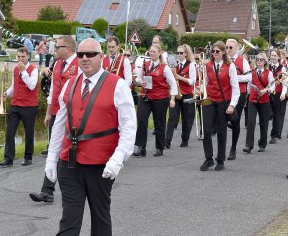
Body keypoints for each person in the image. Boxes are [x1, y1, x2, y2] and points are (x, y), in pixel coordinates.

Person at [44, 38, 136, 235]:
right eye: (80, 54)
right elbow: (59, 124)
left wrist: (118, 158)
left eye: (91, 54)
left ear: (101, 57)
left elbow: (129, 127)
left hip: (101, 165)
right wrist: (51, 160)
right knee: (69, 219)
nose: (85, 58)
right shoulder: (69, 84)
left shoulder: (118, 85)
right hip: (69, 164)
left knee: (100, 217)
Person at [29, 35, 80, 203]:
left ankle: (75, 187)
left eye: (58, 47)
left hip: (73, 115)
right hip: (57, 113)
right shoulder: (57, 63)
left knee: (72, 151)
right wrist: (48, 113)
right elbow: (52, 91)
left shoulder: (79, 64)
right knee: (55, 149)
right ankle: (47, 190)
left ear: (69, 49)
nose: (55, 50)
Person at [200, 41, 239, 171]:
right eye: (213, 51)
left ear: (223, 52)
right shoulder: (207, 65)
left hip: (223, 102)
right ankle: (209, 158)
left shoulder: (230, 66)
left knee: (222, 131)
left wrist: (232, 105)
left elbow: (235, 88)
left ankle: (220, 160)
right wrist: (199, 90)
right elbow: (205, 82)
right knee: (206, 130)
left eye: (217, 51)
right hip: (210, 100)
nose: (215, 53)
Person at [133, 44, 177, 157]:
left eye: (154, 52)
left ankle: (159, 147)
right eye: (150, 51)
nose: (151, 53)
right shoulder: (145, 64)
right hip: (145, 96)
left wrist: (172, 98)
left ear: (159, 53)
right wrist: (139, 82)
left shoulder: (164, 67)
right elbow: (137, 77)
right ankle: (141, 146)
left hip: (160, 98)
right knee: (142, 120)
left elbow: (172, 83)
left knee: (159, 122)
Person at [0, 47, 39, 167]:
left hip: (29, 106)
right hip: (15, 104)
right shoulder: (15, 69)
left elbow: (32, 86)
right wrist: (6, 93)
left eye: (23, 57)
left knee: (29, 132)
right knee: (10, 132)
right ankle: (8, 159)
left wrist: (24, 72)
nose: (21, 59)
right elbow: (13, 85)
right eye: (19, 57)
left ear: (28, 56)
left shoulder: (34, 69)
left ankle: (28, 157)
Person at [165, 44, 196, 148]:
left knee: (187, 118)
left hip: (187, 94)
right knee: (172, 117)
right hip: (175, 93)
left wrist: (179, 77)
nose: (178, 55)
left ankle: (185, 139)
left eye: (181, 53)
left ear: (186, 54)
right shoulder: (174, 65)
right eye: (177, 53)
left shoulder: (191, 65)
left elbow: (192, 81)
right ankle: (167, 141)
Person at [243, 53, 275, 153]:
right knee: (251, 122)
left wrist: (266, 91)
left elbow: (273, 86)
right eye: (257, 59)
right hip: (252, 100)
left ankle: (262, 143)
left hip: (264, 100)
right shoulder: (252, 72)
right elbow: (248, 85)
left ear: (265, 61)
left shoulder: (268, 73)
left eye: (261, 60)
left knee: (263, 123)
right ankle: (249, 145)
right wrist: (246, 96)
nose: (259, 61)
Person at [225, 39, 251, 160]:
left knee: (235, 120)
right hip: (226, 93)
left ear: (236, 48)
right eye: (227, 47)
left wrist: (235, 78)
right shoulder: (224, 60)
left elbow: (249, 77)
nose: (228, 50)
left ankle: (233, 148)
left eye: (231, 47)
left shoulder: (242, 60)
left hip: (240, 93)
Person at [269, 49, 287, 144]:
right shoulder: (267, 67)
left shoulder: (282, 68)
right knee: (269, 113)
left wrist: (284, 93)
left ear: (279, 57)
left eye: (275, 55)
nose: (273, 57)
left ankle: (274, 135)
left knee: (276, 114)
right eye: (272, 55)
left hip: (278, 93)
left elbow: (285, 82)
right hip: (268, 93)